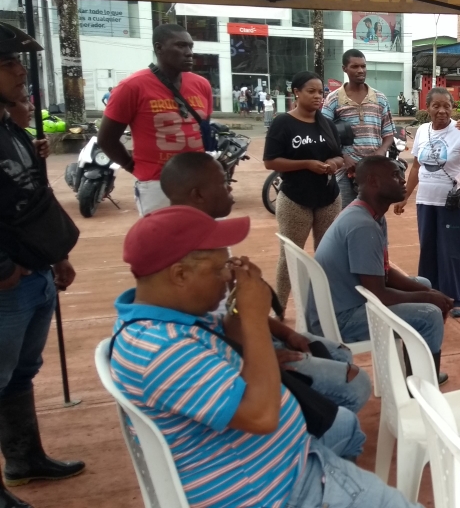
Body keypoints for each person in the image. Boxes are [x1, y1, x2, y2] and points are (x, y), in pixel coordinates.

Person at [110, 207, 418, 508]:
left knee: (347, 429)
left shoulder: (170, 319)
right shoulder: (160, 349)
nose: (227, 274)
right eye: (220, 269)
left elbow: (234, 348)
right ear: (179, 274)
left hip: (280, 462)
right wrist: (255, 316)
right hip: (273, 490)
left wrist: (236, 303)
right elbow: (261, 416)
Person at [160, 152, 371, 412]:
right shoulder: (184, 251)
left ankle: (316, 418)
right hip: (236, 354)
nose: (230, 187)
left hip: (244, 336)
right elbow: (214, 331)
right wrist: (263, 354)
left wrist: (285, 332)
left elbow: (232, 310)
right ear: (198, 194)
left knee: (337, 352)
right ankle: (315, 430)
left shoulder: (207, 237)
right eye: (223, 182)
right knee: (355, 383)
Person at [0, 22, 84, 508]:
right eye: (8, 63)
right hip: (7, 282)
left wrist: (58, 255)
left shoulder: (9, 126)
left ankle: (24, 458)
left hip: (35, 273)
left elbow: (29, 199)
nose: (19, 71)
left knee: (20, 373)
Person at [314, 156, 452, 384]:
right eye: (395, 175)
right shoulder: (362, 225)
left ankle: (416, 373)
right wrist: (429, 299)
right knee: (429, 315)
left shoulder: (369, 215)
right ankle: (423, 386)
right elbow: (379, 293)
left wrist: (428, 292)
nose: (402, 181)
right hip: (341, 318)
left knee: (425, 285)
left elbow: (383, 271)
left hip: (347, 300)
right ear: (373, 181)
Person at [393, 88, 460, 318]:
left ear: (452, 108)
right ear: (428, 108)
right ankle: (429, 295)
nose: (442, 110)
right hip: (426, 201)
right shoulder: (423, 130)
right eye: (436, 106)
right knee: (428, 250)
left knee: (452, 252)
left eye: (447, 105)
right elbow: (416, 167)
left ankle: (454, 298)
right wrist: (405, 196)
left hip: (453, 204)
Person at [98, 23, 213, 216]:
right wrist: (131, 165)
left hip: (199, 182)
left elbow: (203, 129)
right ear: (159, 48)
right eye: (180, 46)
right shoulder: (132, 87)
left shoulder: (202, 85)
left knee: (206, 243)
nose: (189, 52)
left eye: (190, 46)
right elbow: (106, 140)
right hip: (157, 185)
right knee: (165, 244)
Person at [264, 71, 345, 309]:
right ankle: (279, 307)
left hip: (329, 199)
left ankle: (326, 306)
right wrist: (307, 165)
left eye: (321, 92)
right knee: (290, 256)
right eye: (311, 91)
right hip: (295, 200)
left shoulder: (327, 124)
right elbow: (271, 162)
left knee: (327, 256)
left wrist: (333, 164)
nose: (318, 96)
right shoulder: (283, 123)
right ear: (296, 93)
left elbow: (339, 156)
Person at [322, 49, 394, 207]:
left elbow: (388, 133)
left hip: (373, 172)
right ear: (344, 69)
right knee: (345, 219)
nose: (360, 70)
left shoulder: (380, 98)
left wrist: (381, 151)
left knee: (375, 217)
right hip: (345, 173)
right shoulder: (333, 99)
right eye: (355, 66)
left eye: (363, 66)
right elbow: (324, 134)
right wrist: (343, 158)